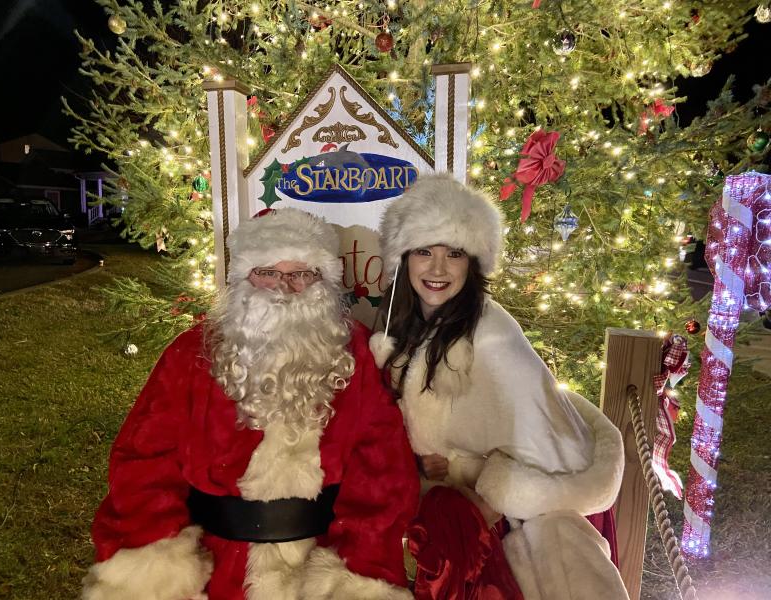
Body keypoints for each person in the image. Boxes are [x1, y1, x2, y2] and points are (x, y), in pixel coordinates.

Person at [82, 208, 419, 600]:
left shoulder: (355, 353)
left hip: (319, 566)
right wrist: (159, 565)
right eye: (267, 272)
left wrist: (356, 572)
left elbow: (382, 473)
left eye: (300, 274)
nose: (283, 288)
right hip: (213, 567)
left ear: (323, 282)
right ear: (244, 278)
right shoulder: (191, 353)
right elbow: (144, 462)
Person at [369, 174, 629, 600]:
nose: (437, 269)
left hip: (487, 537)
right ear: (405, 258)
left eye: (454, 253)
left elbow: (556, 451)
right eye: (424, 251)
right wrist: (424, 461)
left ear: (472, 263)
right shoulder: (407, 325)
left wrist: (486, 493)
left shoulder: (491, 336)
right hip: (435, 518)